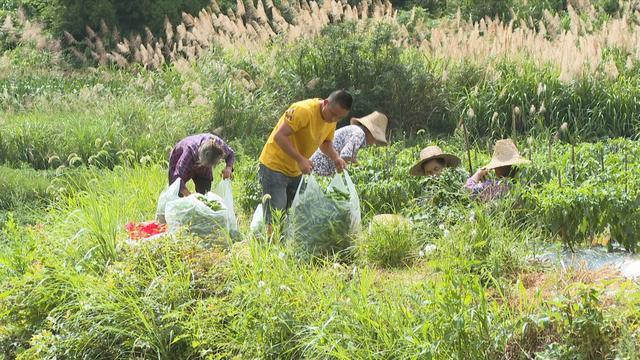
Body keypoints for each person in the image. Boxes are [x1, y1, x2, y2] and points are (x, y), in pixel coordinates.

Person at [258, 89, 353, 227]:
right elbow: (279, 136)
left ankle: (287, 246)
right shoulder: (303, 110)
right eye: (332, 114)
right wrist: (300, 159)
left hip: (296, 171)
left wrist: (336, 158)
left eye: (339, 118)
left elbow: (325, 143)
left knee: (296, 214)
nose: (333, 119)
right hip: (275, 166)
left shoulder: (332, 119)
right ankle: (271, 247)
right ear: (325, 103)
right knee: (275, 216)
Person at [310, 111, 388, 176]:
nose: (374, 142)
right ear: (370, 132)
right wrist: (363, 169)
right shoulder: (359, 134)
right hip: (319, 166)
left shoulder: (356, 131)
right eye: (375, 138)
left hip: (317, 165)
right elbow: (346, 155)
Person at [168, 133, 235, 197]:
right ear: (203, 156)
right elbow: (177, 177)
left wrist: (228, 168)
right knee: (176, 193)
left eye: (210, 166)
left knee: (205, 194)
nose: (208, 166)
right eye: (206, 164)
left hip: (202, 168)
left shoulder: (218, 145)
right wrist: (190, 196)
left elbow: (231, 154)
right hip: (180, 160)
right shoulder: (189, 151)